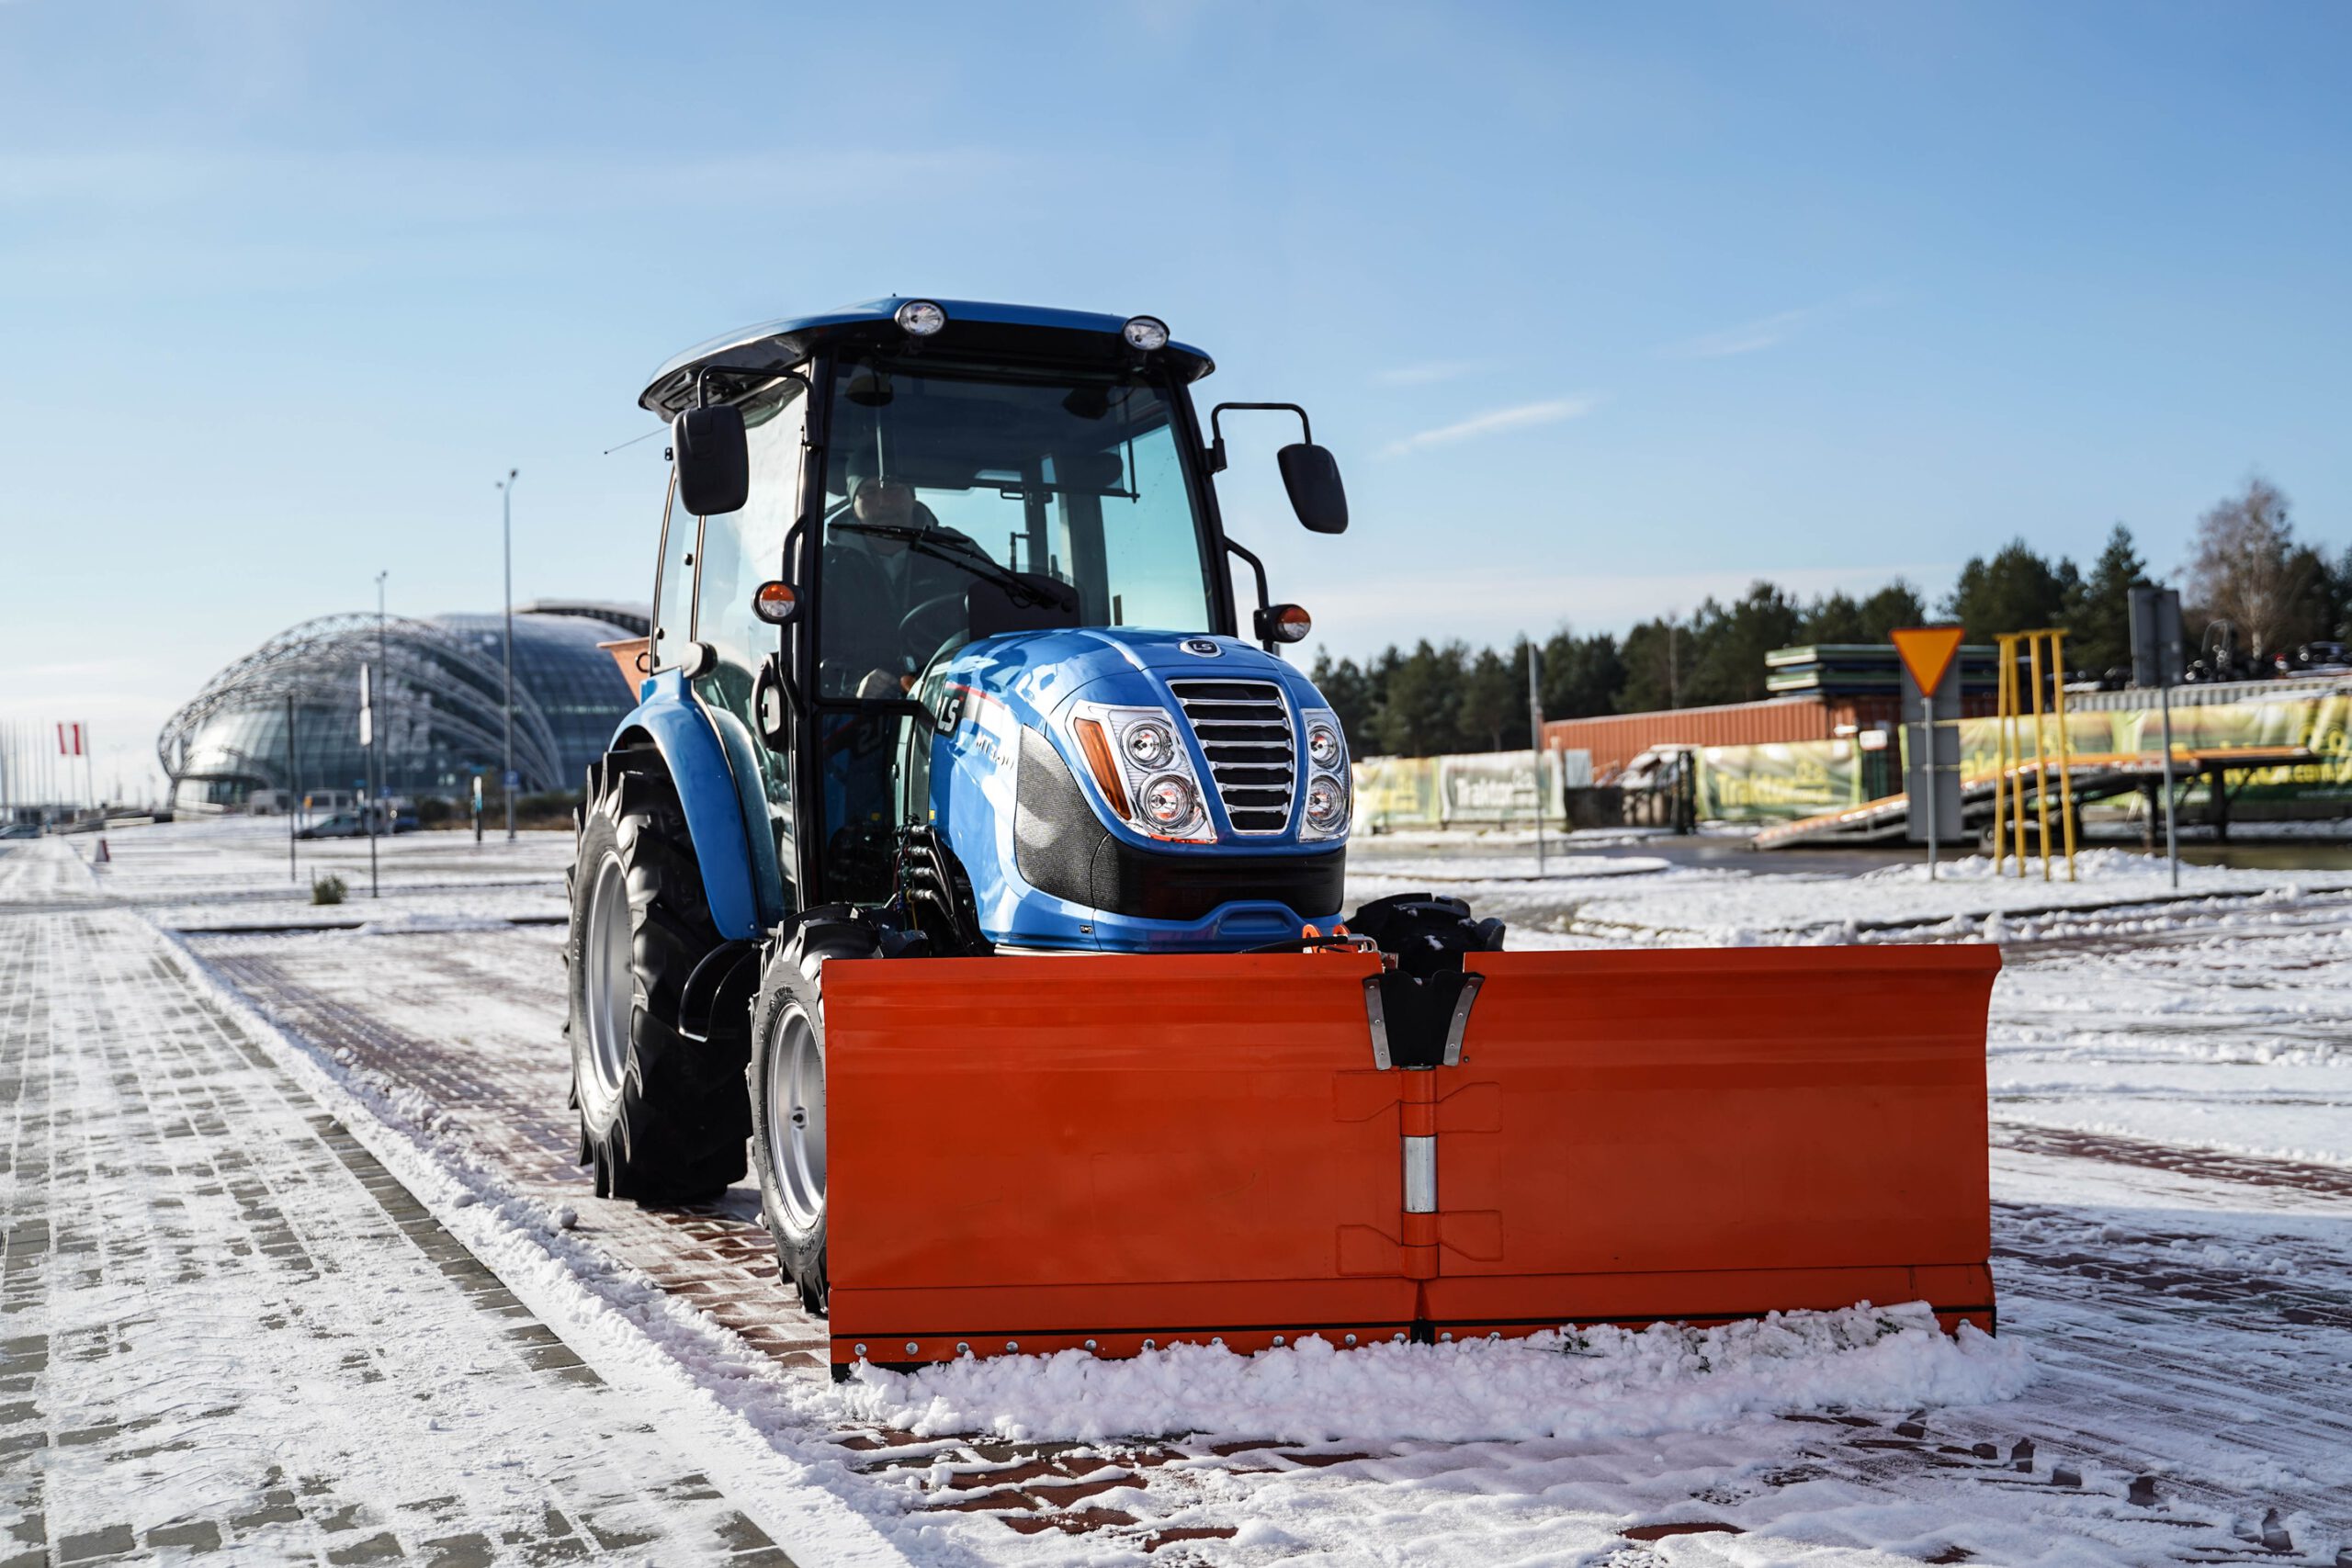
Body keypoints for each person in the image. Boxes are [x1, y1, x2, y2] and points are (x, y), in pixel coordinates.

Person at [822, 452, 991, 698]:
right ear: (853, 503)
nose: (883, 503)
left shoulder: (956, 552)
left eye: (893, 488)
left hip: (949, 705)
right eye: (869, 492)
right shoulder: (827, 567)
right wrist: (853, 688)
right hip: (857, 715)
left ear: (912, 496)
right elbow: (807, 654)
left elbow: (1002, 613)